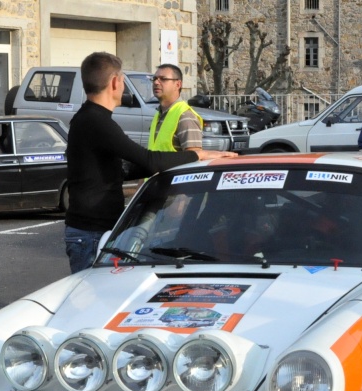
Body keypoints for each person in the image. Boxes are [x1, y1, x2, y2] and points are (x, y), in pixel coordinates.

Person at [64, 52, 236, 274]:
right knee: (89, 301)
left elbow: (123, 168)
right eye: (124, 80)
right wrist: (198, 155)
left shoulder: (91, 119)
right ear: (115, 82)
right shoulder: (96, 121)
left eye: (162, 79)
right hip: (90, 233)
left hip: (96, 229)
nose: (155, 83)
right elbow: (148, 160)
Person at [148, 64, 203, 152]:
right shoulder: (159, 114)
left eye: (163, 79)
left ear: (178, 84)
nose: (156, 82)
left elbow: (194, 157)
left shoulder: (185, 116)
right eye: (154, 79)